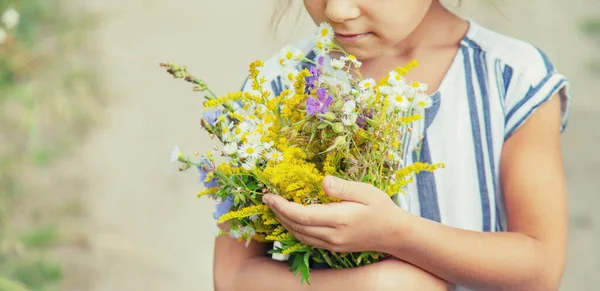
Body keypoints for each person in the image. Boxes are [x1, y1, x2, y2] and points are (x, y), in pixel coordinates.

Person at [213, 0, 571, 290]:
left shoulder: (510, 79)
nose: (336, 10)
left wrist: (399, 235)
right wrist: (380, 284)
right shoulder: (276, 89)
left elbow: (540, 270)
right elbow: (232, 277)